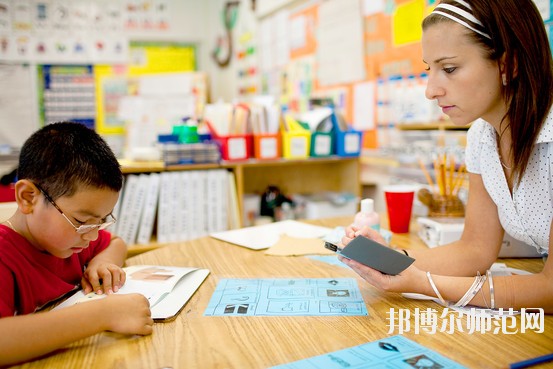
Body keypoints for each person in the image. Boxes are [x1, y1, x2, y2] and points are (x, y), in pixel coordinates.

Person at [341, 0, 553, 313]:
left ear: (509, 65)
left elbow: (550, 290)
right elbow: (475, 250)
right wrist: (389, 257)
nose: (431, 90)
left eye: (449, 69)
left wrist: (420, 282)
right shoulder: (481, 137)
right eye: (430, 70)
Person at [0, 122, 153, 366]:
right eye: (82, 221)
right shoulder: (4, 255)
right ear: (28, 197)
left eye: (101, 221)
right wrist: (103, 314)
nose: (91, 236)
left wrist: (103, 262)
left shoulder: (69, 241)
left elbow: (115, 242)